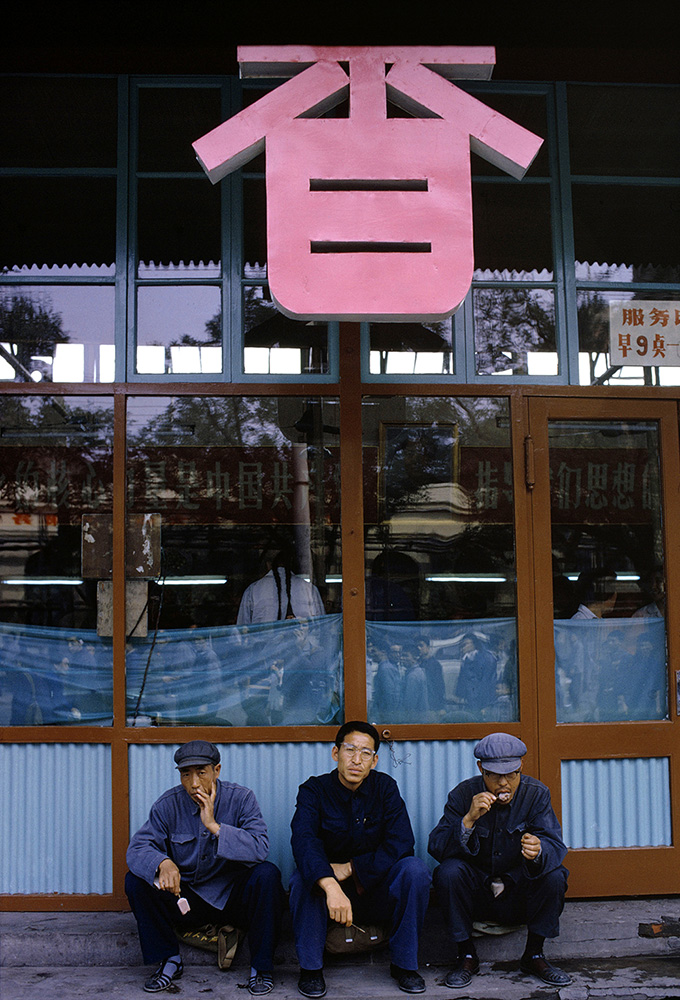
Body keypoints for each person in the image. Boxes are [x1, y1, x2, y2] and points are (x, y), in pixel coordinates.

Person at [125, 740, 284, 995]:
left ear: (217, 771)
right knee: (135, 880)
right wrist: (162, 863)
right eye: (186, 774)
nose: (194, 783)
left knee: (267, 875)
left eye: (201, 772)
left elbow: (260, 848)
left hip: (233, 897)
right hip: (188, 899)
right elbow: (137, 849)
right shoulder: (167, 804)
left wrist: (214, 826)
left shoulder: (241, 798)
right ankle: (169, 959)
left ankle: (261, 967)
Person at [289, 721, 431, 997]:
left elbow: (402, 842)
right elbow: (304, 840)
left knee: (414, 870)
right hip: (328, 894)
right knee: (301, 877)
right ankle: (311, 969)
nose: (357, 760)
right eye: (350, 750)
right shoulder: (313, 791)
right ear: (335, 753)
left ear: (375, 760)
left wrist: (353, 868)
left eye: (365, 753)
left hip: (376, 887)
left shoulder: (385, 788)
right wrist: (330, 885)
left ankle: (404, 965)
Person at [428, 733, 571, 989]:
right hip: (478, 894)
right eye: (494, 775)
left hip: (517, 891)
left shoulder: (536, 794)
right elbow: (436, 846)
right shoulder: (462, 794)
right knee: (447, 872)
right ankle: (466, 955)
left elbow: (556, 845)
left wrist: (539, 850)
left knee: (556, 875)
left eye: (512, 774)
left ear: (521, 768)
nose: (503, 783)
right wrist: (467, 820)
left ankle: (534, 954)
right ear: (481, 768)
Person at [237, 547, 325, 625]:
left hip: (266, 644)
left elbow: (243, 629)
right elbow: (321, 627)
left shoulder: (253, 589)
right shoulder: (309, 589)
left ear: (268, 564)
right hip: (301, 643)